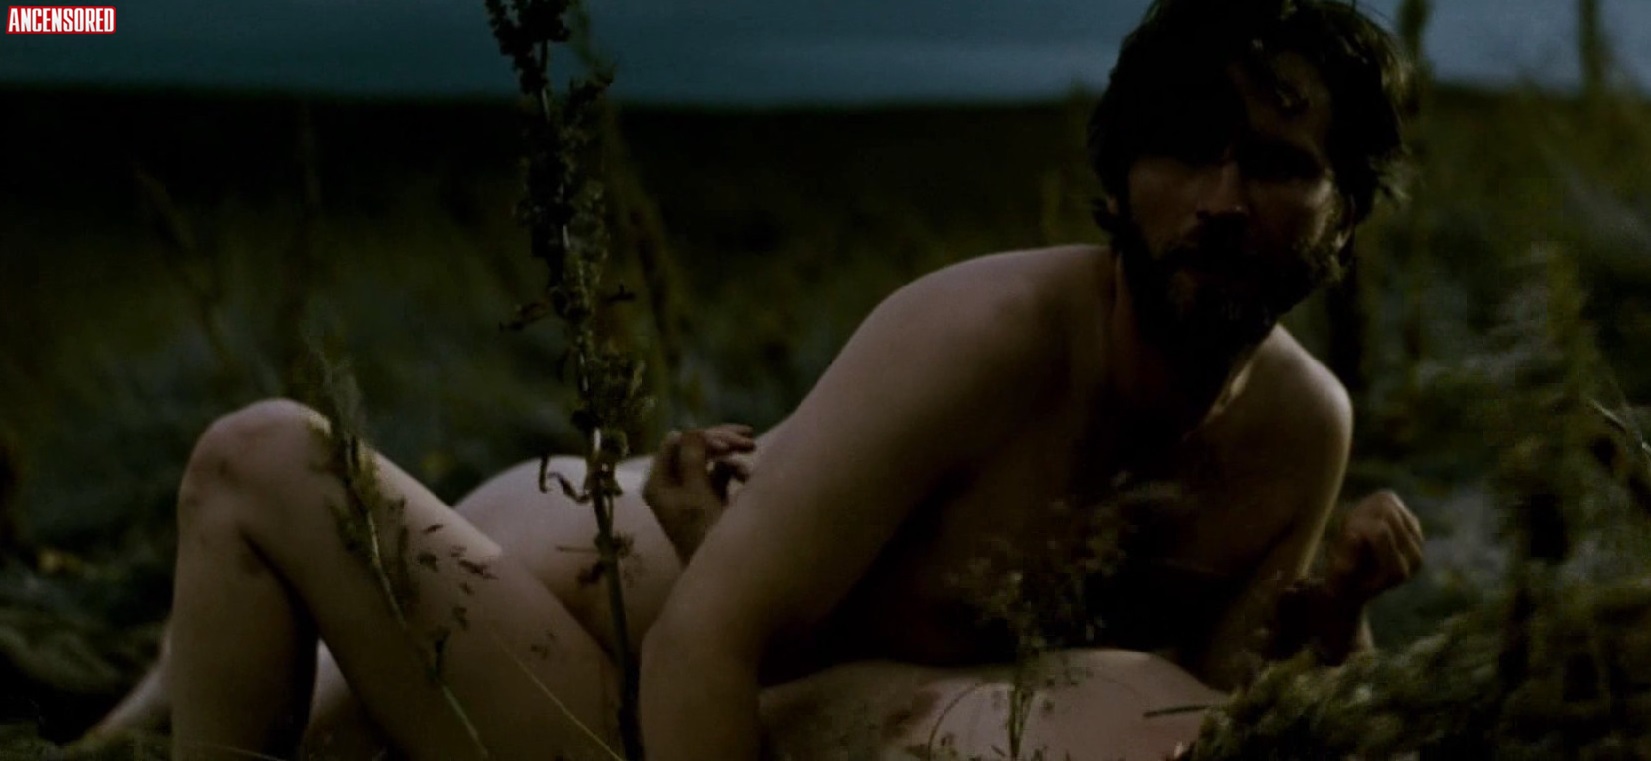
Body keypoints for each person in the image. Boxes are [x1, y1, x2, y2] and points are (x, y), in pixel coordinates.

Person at [86, 0, 1427, 758]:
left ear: (1349, 209)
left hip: (730, 667)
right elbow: (701, 644)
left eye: (1278, 164)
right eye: (1183, 153)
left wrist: (1337, 613)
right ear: (1120, 177)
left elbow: (1217, 692)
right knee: (261, 461)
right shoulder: (990, 333)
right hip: (590, 652)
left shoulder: (1300, 427)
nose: (1220, 202)